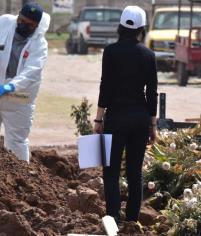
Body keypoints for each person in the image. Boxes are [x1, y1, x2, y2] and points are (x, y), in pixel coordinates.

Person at [93, 6, 158, 223]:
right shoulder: (149, 55)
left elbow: (106, 87)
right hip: (140, 119)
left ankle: (113, 217)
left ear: (120, 26)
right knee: (134, 172)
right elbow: (152, 92)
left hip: (116, 118)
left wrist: (98, 118)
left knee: (110, 171)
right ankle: (132, 220)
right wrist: (153, 125)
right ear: (142, 28)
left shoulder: (110, 52)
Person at [0, 2, 50, 163]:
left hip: (19, 99)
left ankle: (20, 181)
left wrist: (11, 86)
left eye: (29, 25)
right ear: (18, 17)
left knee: (16, 142)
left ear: (36, 25)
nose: (24, 26)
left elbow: (32, 72)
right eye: (22, 21)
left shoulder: (39, 44)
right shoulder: (5, 22)